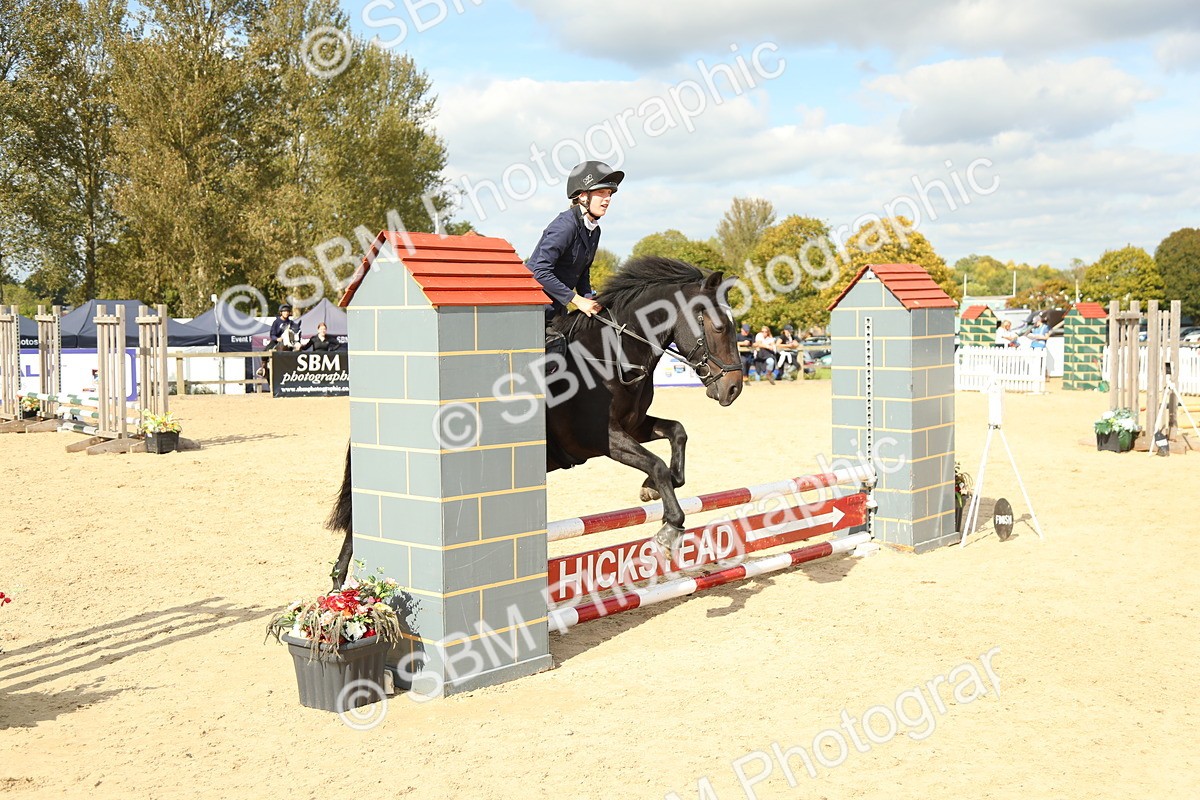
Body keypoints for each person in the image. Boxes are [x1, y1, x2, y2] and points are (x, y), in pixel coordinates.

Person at [526, 160, 624, 330]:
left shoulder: (593, 230)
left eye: (610, 193)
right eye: (601, 192)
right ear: (583, 195)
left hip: (557, 312)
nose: (607, 199)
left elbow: (582, 272)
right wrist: (578, 300)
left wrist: (590, 300)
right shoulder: (565, 226)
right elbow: (539, 272)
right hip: (534, 311)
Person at [257, 303, 303, 377]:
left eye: (288, 311)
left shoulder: (291, 322)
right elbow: (272, 334)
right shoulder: (276, 322)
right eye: (284, 311)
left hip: (289, 342)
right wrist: (277, 338)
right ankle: (263, 368)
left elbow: (295, 331)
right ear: (281, 312)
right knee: (265, 351)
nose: (286, 313)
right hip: (276, 341)